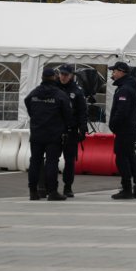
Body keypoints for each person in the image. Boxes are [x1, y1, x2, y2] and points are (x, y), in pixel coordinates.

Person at [24, 68, 72, 201]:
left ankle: (33, 191)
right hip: (54, 134)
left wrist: (37, 118)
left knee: (35, 161)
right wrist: (66, 127)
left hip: (37, 132)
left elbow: (28, 104)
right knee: (52, 162)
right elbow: (68, 114)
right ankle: (52, 192)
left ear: (42, 77)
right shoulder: (60, 94)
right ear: (54, 77)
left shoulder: (34, 93)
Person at [108, 61, 136, 200]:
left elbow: (122, 111)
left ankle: (126, 188)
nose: (113, 74)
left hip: (124, 129)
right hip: (129, 128)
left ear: (121, 72)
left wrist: (113, 124)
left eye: (114, 71)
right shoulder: (130, 86)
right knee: (130, 157)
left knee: (121, 158)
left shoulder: (125, 89)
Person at [57, 64, 88, 198]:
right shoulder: (53, 88)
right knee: (52, 159)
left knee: (69, 160)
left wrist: (83, 128)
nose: (63, 77)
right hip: (55, 129)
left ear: (70, 76)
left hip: (71, 130)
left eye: (66, 75)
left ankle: (68, 186)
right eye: (61, 74)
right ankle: (50, 186)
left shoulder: (77, 91)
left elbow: (82, 111)